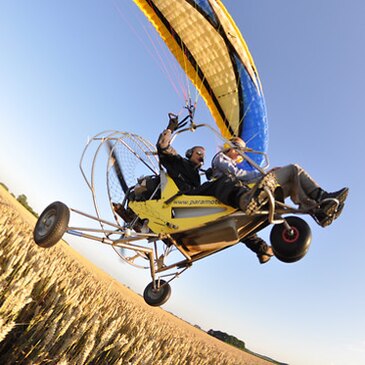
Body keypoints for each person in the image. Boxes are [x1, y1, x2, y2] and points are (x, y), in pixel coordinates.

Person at [157, 115, 273, 264]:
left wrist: (211, 174)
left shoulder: (198, 177)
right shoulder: (178, 162)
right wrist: (171, 128)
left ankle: (262, 249)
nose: (202, 156)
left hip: (194, 205)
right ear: (189, 153)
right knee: (225, 183)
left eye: (203, 155)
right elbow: (163, 146)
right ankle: (248, 200)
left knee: (234, 215)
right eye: (198, 153)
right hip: (180, 201)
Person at [212, 137, 349, 227]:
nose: (240, 154)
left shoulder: (233, 165)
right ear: (230, 147)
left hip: (249, 190)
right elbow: (238, 175)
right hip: (242, 194)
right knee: (293, 169)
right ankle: (322, 198)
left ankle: (318, 210)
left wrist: (267, 174)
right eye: (239, 149)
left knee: (292, 182)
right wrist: (266, 174)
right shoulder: (220, 158)